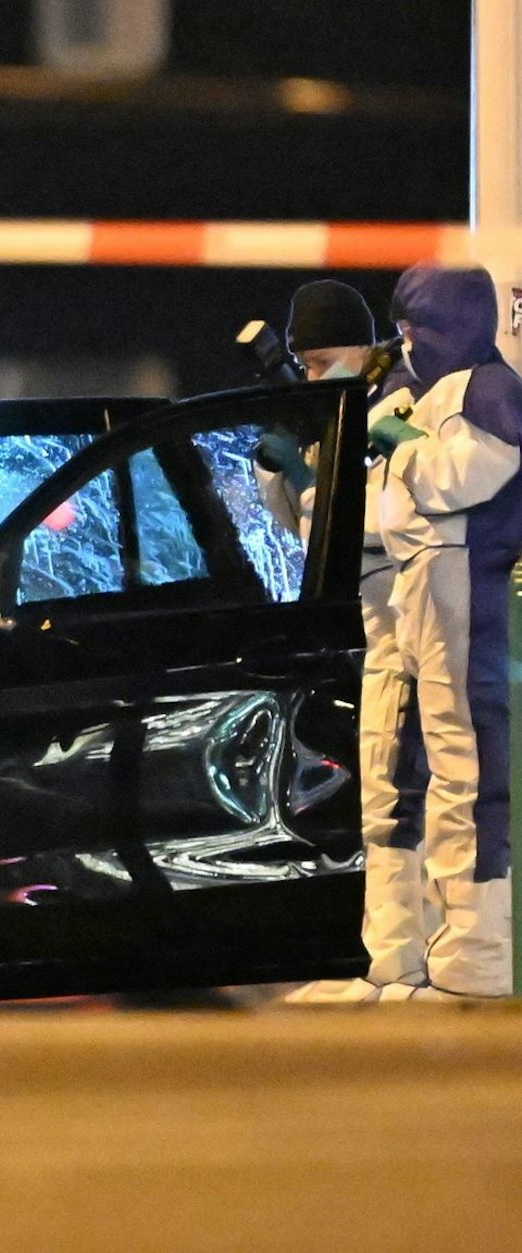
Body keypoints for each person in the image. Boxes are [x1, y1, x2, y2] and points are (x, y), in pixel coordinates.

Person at [265, 282, 434, 1004]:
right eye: (303, 364)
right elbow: (299, 529)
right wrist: (285, 465)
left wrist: (310, 480)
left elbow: (374, 518)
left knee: (399, 797)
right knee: (379, 797)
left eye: (323, 360)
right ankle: (386, 956)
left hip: (407, 632)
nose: (313, 375)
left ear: (365, 348)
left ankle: (400, 962)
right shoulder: (349, 408)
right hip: (372, 636)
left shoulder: (397, 404)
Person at [372, 264, 522, 1000]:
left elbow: (462, 476)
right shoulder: (449, 387)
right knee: (435, 764)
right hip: (433, 580)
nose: (404, 343)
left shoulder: (485, 389)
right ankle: (450, 938)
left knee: (467, 763)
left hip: (462, 579)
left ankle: (479, 948)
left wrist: (400, 442)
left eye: (413, 328)